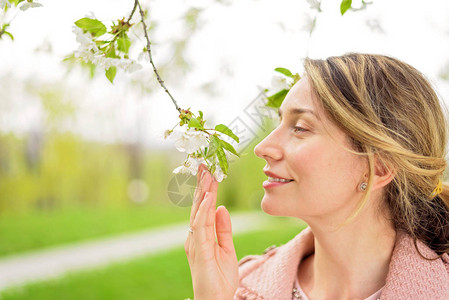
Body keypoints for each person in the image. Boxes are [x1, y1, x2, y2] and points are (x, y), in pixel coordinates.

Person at [184, 53, 449, 300]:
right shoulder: (240, 287)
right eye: (280, 123)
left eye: (300, 128)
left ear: (378, 168)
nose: (262, 148)